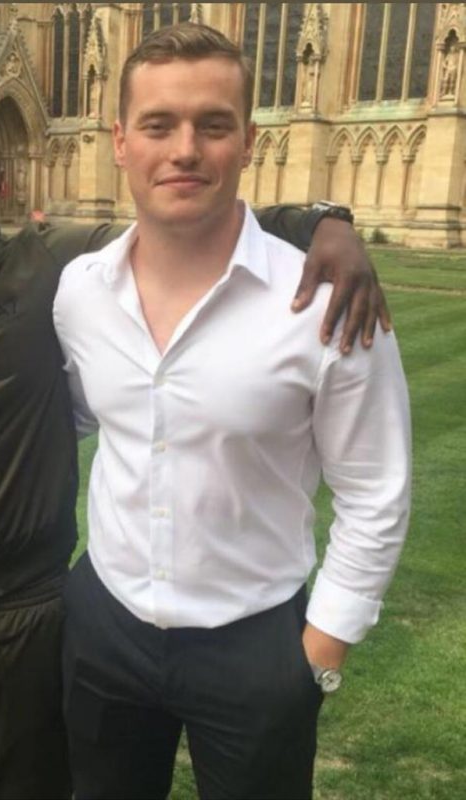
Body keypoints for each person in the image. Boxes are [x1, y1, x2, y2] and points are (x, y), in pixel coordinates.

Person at [0, 90, 390, 800]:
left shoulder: (51, 266)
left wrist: (324, 225)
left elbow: (181, 221)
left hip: (36, 612)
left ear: (2, 182)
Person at [53, 23, 411, 800]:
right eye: (158, 124)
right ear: (119, 142)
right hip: (105, 620)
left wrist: (319, 652)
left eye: (212, 125)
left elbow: (376, 490)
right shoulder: (80, 290)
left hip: (257, 644)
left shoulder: (327, 302)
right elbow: (85, 416)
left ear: (247, 141)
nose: (184, 149)